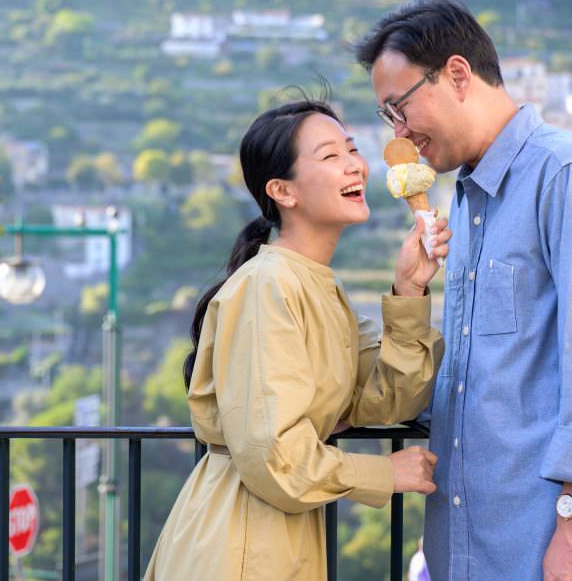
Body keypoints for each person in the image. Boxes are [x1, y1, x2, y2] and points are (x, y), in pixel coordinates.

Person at [355, 0, 572, 581]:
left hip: (567, 541)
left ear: (457, 75)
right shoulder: (464, 200)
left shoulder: (566, 173)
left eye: (400, 107)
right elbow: (477, 378)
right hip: (485, 541)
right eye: (387, 116)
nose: (399, 132)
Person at [143, 99, 452, 581]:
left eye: (352, 149)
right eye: (330, 155)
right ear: (282, 191)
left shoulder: (319, 288)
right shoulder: (266, 287)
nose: (355, 164)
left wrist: (409, 289)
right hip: (239, 545)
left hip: (275, 537)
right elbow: (274, 456)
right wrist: (385, 473)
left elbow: (391, 399)